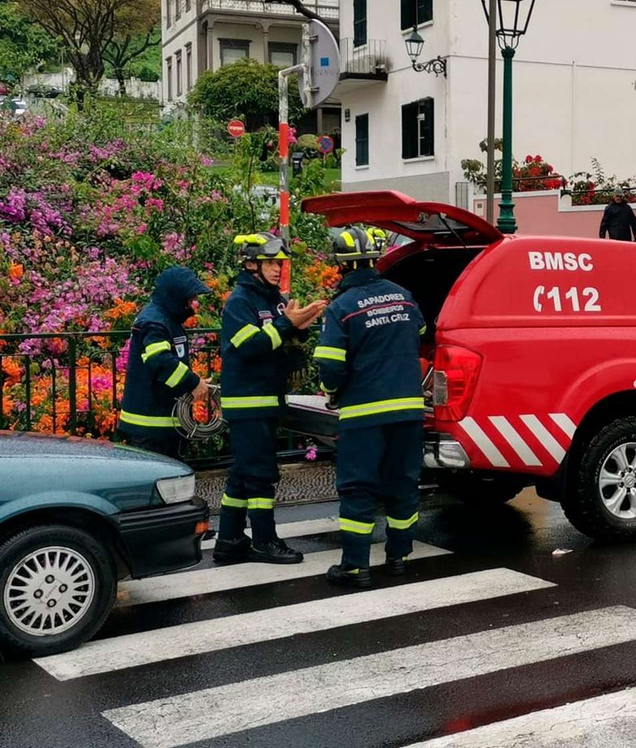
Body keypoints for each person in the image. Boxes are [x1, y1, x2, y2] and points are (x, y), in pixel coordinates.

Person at [317, 226, 426, 588]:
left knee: (359, 489)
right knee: (402, 485)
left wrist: (330, 389)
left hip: (364, 415)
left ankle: (354, 566)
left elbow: (330, 366)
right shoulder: (404, 298)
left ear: (341, 266)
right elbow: (424, 336)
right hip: (409, 411)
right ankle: (398, 557)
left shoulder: (342, 308)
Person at [211, 232, 326, 565]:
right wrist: (285, 323)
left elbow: (280, 336)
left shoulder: (272, 297)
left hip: (265, 400)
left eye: (279, 263)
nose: (278, 269)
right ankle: (264, 541)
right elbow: (250, 346)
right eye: (271, 263)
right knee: (260, 474)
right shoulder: (240, 302)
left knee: (243, 473)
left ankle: (229, 540)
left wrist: (299, 325)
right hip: (248, 403)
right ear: (251, 264)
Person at [117, 265, 212, 461]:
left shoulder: (167, 319)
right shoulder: (153, 322)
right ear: (175, 297)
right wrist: (192, 382)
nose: (194, 304)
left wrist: (193, 382)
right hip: (150, 427)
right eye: (190, 298)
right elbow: (159, 361)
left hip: (164, 423)